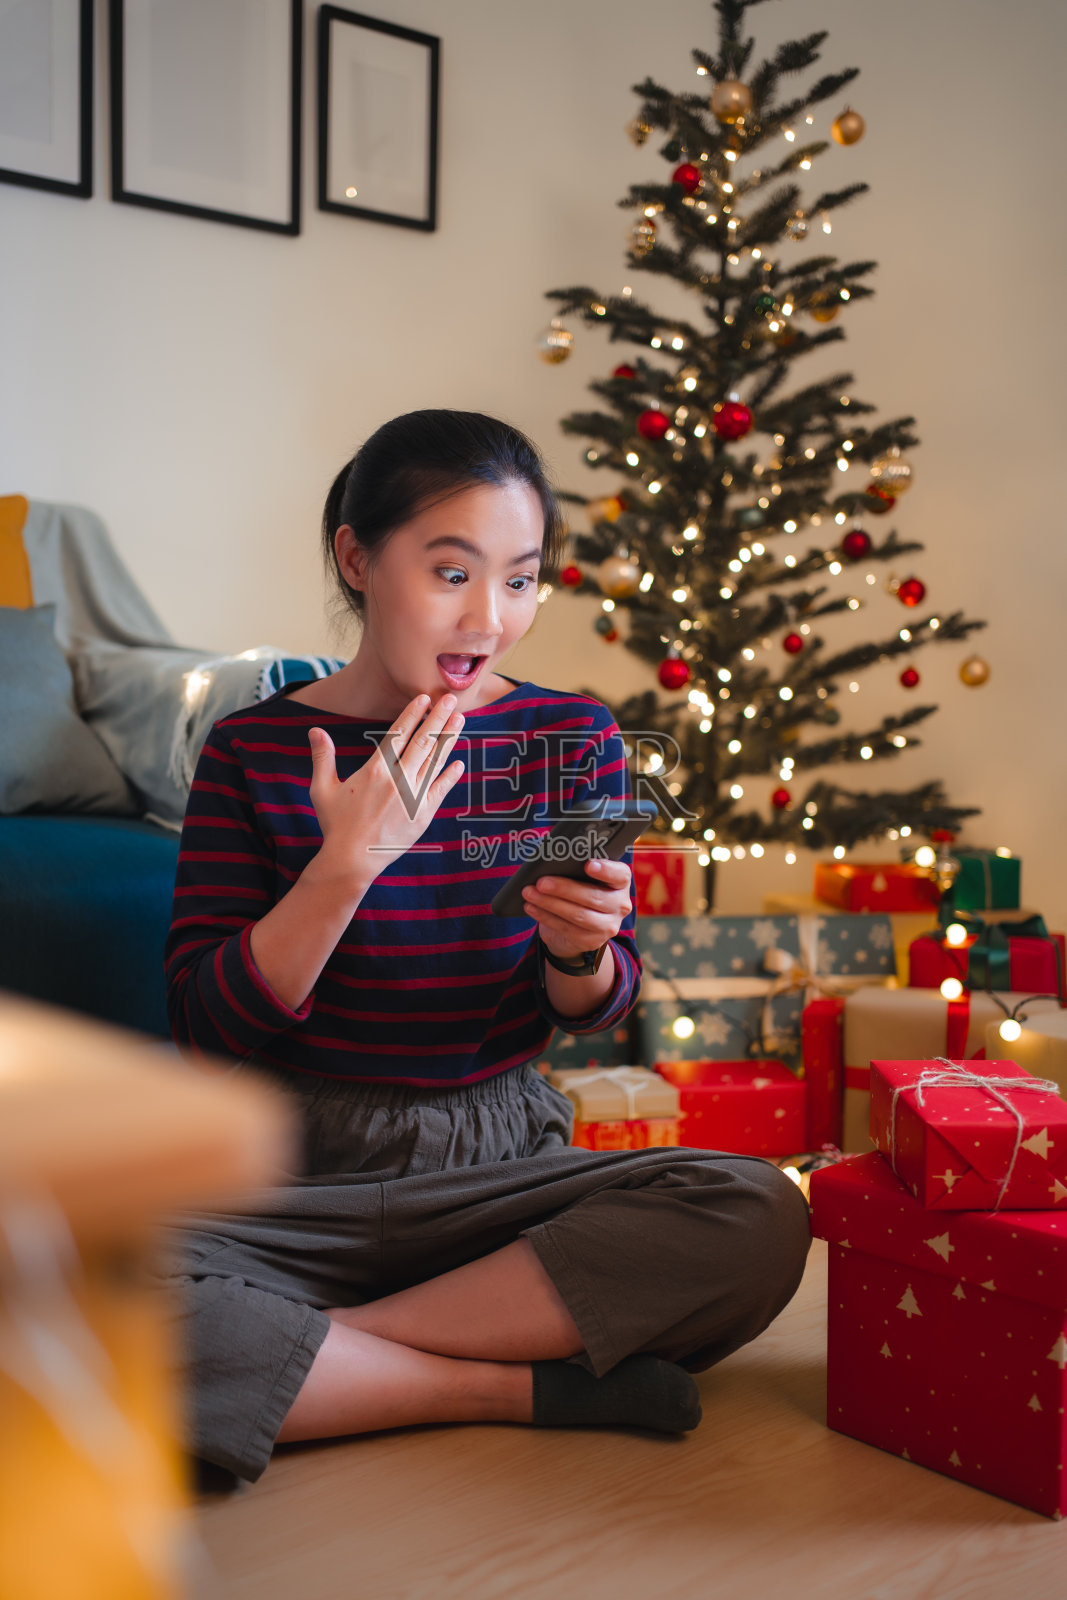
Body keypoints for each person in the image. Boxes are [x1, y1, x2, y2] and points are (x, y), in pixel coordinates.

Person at [161, 409, 811, 1487]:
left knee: (758, 1211)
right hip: (287, 1176)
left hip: (497, 1167)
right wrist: (343, 866)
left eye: (520, 579)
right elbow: (203, 1028)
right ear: (358, 558)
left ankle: (321, 1349)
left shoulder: (570, 738)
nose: (490, 617)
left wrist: (579, 951)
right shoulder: (255, 750)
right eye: (452, 572)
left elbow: (592, 1004)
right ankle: (503, 1384)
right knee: (50, 1278)